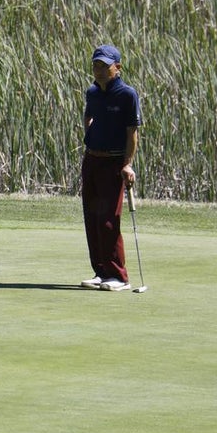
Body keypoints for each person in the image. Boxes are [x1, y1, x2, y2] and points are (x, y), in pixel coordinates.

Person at [80, 44, 142, 292]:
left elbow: (132, 133)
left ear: (117, 67)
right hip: (92, 160)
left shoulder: (127, 94)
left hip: (113, 162)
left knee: (108, 220)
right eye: (96, 65)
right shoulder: (93, 92)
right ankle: (101, 271)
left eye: (104, 66)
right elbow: (88, 117)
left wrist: (127, 164)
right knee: (92, 217)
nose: (99, 70)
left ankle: (118, 276)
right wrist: (92, 137)